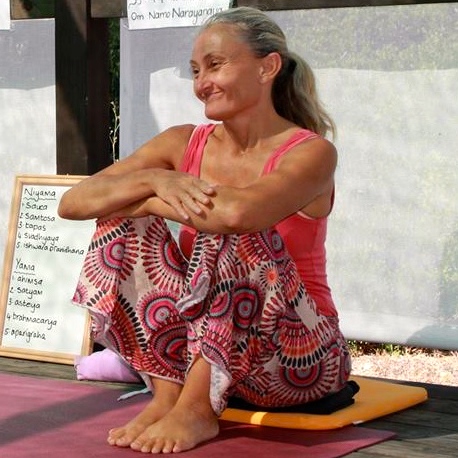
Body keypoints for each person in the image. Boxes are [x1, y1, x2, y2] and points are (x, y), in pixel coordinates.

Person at [58, 6, 351, 454]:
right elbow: (74, 202)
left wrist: (152, 196)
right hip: (197, 351)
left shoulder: (311, 152)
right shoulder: (182, 142)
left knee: (230, 226)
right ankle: (169, 397)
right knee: (120, 217)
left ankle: (197, 407)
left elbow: (238, 215)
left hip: (296, 359)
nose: (202, 84)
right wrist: (155, 179)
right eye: (196, 71)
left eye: (216, 65)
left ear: (267, 66)